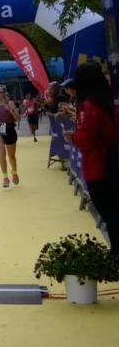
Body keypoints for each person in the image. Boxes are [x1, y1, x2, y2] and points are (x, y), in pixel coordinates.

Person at [63, 63, 119, 252]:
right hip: (108, 162)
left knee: (110, 214)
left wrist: (74, 137)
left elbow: (87, 139)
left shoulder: (88, 106)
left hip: (98, 166)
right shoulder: (107, 102)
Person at [0, 85, 21, 187]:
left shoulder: (9, 103)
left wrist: (10, 110)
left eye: (1, 92)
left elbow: (18, 119)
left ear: (4, 92)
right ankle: (5, 177)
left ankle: (14, 173)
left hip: (9, 128)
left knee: (11, 156)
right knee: (2, 151)